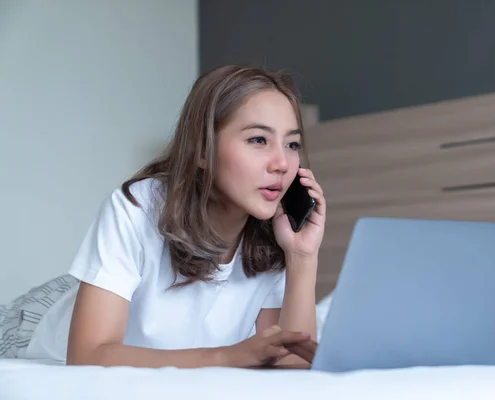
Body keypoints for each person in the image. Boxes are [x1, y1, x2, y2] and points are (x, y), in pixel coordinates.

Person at [1, 65, 326, 368]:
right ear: (202, 150)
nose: (283, 163)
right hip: (35, 325)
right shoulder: (137, 207)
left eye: (293, 144)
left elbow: (291, 364)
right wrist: (226, 356)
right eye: (258, 139)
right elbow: (87, 355)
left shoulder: (271, 233)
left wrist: (302, 258)